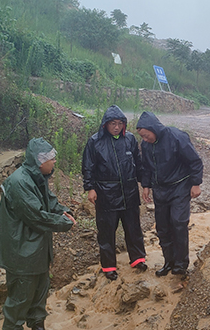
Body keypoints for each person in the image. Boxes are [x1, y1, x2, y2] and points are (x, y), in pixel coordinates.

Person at [0, 138, 76, 330]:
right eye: (51, 158)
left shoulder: (39, 177)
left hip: (37, 247)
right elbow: (35, 216)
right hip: (21, 248)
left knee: (40, 288)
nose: (55, 161)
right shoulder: (19, 182)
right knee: (21, 294)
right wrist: (64, 223)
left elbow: (50, 202)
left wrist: (64, 211)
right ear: (40, 161)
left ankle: (37, 326)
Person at [82, 105, 147, 281]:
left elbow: (138, 163)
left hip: (129, 192)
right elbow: (88, 167)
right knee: (106, 231)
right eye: (113, 123)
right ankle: (109, 266)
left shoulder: (130, 140)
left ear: (124, 124)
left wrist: (146, 184)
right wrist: (90, 188)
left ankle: (138, 259)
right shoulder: (95, 142)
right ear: (105, 124)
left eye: (119, 123)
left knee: (133, 228)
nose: (116, 127)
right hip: (106, 194)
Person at [136, 111, 203, 277]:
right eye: (142, 136)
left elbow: (194, 161)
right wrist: (146, 186)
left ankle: (180, 265)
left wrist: (196, 183)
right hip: (160, 190)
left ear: (154, 129)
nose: (144, 139)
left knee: (178, 223)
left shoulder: (176, 137)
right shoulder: (146, 145)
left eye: (146, 135)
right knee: (163, 227)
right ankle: (169, 262)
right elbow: (146, 167)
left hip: (180, 186)